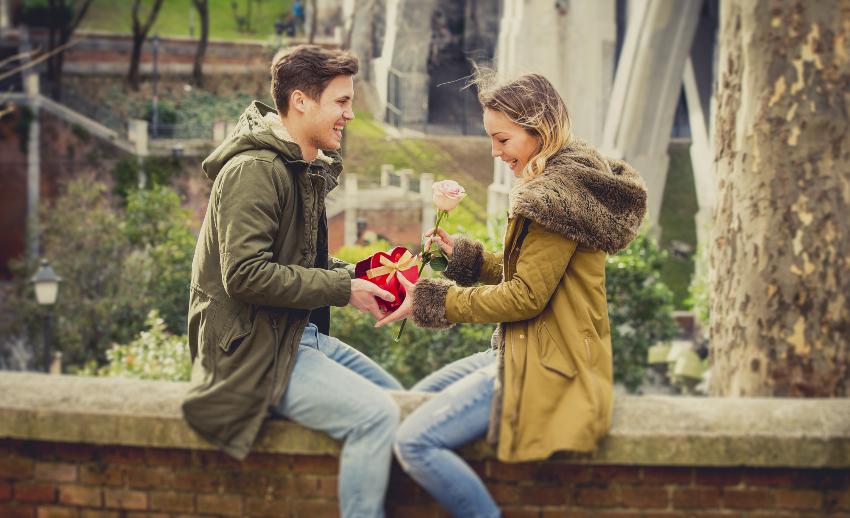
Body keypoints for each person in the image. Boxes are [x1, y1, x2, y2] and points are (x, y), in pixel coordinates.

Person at [375, 73, 648, 517]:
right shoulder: (568, 180)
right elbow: (539, 272)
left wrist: (433, 299)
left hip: (545, 363)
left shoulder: (553, 198)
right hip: (534, 349)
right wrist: (466, 257)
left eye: (502, 139)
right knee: (417, 399)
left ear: (538, 129)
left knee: (415, 440)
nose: (496, 152)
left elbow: (524, 297)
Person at [182, 45, 403, 518]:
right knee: (376, 416)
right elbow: (244, 275)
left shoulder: (298, 167)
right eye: (341, 102)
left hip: (293, 336)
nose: (350, 114)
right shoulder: (255, 171)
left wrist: (367, 279)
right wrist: (345, 290)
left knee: (403, 403)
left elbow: (304, 264)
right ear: (301, 100)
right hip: (251, 356)